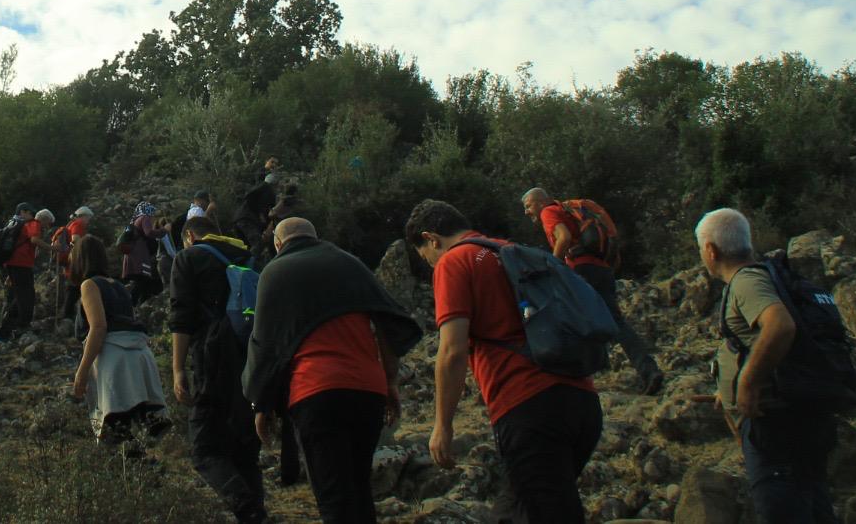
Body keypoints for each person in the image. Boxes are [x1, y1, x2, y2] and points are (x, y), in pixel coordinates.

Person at [407, 199, 602, 524]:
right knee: (515, 512)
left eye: (425, 256)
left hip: (528, 407)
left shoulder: (455, 261)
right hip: (581, 399)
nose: (430, 264)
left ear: (431, 238)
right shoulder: (510, 251)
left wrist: (442, 425)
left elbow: (452, 350)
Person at [243, 218, 420, 524]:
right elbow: (385, 325)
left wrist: (261, 404)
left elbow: (264, 343)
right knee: (359, 489)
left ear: (277, 243)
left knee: (334, 498)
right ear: (316, 237)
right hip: (367, 391)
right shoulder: (349, 264)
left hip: (315, 392)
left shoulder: (276, 271)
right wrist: (390, 382)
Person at [697, 208, 838, 523]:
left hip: (775, 424)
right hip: (802, 416)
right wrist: (727, 389)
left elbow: (780, 326)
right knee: (813, 504)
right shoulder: (767, 275)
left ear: (710, 250)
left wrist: (746, 383)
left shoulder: (746, 282)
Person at [169, 216, 268, 524]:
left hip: (211, 357)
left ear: (188, 236)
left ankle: (248, 510)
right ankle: (256, 514)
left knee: (205, 448)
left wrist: (177, 369)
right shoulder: (248, 255)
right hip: (251, 355)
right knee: (244, 447)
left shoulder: (189, 257)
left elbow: (181, 316)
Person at [522, 187, 664, 395]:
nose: (527, 212)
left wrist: (552, 269)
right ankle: (648, 370)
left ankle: (572, 380)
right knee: (615, 322)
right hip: (602, 268)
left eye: (528, 206)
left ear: (541, 201)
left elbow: (564, 237)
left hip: (581, 269)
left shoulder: (548, 211)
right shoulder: (568, 209)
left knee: (568, 319)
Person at [69, 235, 171, 447]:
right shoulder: (119, 286)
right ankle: (143, 473)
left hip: (114, 361)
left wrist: (82, 371)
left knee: (115, 435)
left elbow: (99, 328)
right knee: (132, 433)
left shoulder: (89, 285)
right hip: (139, 357)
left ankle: (131, 475)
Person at [0, 203, 45, 343]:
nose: (33, 216)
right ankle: (17, 328)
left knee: (17, 298)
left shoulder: (12, 224)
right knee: (25, 298)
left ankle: (4, 333)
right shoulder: (31, 223)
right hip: (22, 265)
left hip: (11, 265)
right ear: (23, 212)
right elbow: (34, 240)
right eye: (30, 212)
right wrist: (53, 248)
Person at [120, 200, 167, 305]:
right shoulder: (145, 218)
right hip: (139, 255)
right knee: (141, 280)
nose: (152, 214)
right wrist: (164, 230)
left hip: (131, 255)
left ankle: (139, 305)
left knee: (141, 282)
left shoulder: (135, 220)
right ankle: (132, 305)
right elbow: (149, 232)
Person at [52, 206, 92, 320]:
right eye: (89, 217)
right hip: (75, 261)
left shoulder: (71, 224)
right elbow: (75, 240)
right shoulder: (79, 224)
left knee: (73, 287)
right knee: (75, 287)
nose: (89, 220)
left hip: (69, 261)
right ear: (83, 216)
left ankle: (69, 314)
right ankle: (69, 315)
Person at [236, 161, 279, 262]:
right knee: (258, 243)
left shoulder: (259, 188)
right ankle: (249, 266)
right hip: (247, 219)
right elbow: (266, 211)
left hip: (240, 218)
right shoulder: (267, 190)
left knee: (246, 246)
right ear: (275, 184)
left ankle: (242, 266)